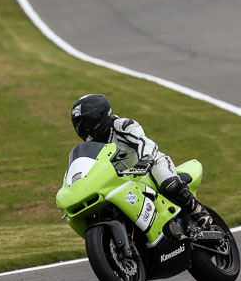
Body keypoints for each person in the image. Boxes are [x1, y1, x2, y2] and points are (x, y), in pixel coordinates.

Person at [70, 93, 213, 233]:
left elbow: (143, 141)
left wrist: (146, 158)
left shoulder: (123, 126)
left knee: (169, 184)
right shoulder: (94, 147)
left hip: (151, 165)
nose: (81, 129)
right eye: (78, 125)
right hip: (125, 180)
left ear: (99, 116)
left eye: (85, 123)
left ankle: (198, 211)